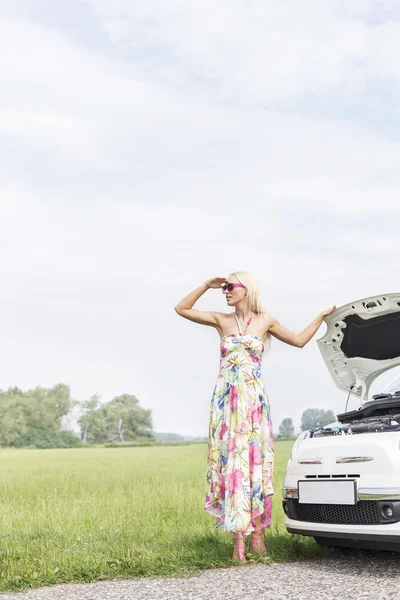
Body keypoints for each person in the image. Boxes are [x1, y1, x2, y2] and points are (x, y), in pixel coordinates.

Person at [174, 272, 335, 562]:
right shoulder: (221, 320)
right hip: (227, 407)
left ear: (246, 289)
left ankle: (258, 536)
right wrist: (206, 285)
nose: (225, 291)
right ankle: (238, 541)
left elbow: (298, 340)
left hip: (254, 404)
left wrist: (321, 316)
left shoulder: (266, 321)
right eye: (223, 287)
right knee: (233, 466)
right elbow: (181, 309)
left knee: (255, 467)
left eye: (230, 286)